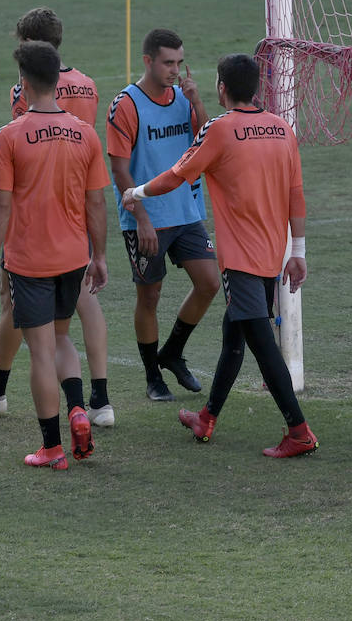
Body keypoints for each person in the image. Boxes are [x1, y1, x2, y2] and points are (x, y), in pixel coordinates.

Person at [123, 53, 318, 458]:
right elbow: (296, 193)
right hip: (272, 253)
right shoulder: (282, 128)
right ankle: (207, 417)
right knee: (235, 334)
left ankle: (299, 430)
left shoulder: (221, 129)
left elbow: (178, 174)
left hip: (241, 258)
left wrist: (136, 192)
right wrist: (297, 250)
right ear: (258, 89)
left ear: (222, 88)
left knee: (263, 343)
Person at [0, 7, 114, 426]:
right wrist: (99, 252)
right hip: (76, 216)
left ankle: (2, 396)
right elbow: (95, 188)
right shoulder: (88, 87)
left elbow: (7, 186)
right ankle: (97, 401)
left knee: (30, 327)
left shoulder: (19, 105)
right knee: (81, 309)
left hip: (34, 224)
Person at [0, 41, 110, 470]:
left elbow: (0, 205)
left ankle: (52, 448)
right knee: (61, 339)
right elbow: (96, 203)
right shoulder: (85, 133)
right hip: (74, 256)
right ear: (58, 79)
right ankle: (78, 406)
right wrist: (101, 255)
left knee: (39, 352)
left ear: (23, 83)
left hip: (28, 260)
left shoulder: (11, 135)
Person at [107, 28, 220, 402]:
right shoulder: (126, 104)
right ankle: (153, 376)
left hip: (186, 212)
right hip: (147, 218)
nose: (175, 70)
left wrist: (197, 101)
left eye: (179, 62)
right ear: (148, 61)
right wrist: (141, 219)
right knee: (150, 297)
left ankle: (171, 352)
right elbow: (120, 170)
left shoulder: (183, 98)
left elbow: (207, 140)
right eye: (168, 63)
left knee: (209, 282)